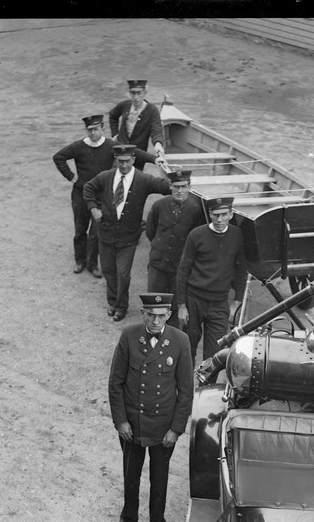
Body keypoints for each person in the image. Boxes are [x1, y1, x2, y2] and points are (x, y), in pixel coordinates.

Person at [108, 293, 194, 522]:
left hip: (162, 425)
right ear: (143, 314)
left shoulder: (180, 341)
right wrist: (120, 421)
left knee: (160, 476)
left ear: (169, 315)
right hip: (132, 424)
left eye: (161, 316)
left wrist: (176, 429)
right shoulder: (129, 336)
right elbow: (116, 383)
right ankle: (128, 519)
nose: (156, 321)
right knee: (130, 472)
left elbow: (186, 390)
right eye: (151, 315)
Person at [83, 144, 172, 322]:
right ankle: (112, 302)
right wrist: (94, 209)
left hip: (128, 238)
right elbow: (88, 188)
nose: (124, 165)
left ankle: (121, 307)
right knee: (109, 271)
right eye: (120, 161)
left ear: (133, 160)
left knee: (123, 274)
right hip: (106, 235)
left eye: (127, 161)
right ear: (116, 160)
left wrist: (176, 183)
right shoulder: (106, 176)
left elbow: (162, 186)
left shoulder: (143, 179)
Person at [177, 196, 248, 365]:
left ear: (231, 214)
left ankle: (206, 390)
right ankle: (185, 387)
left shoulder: (237, 236)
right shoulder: (196, 235)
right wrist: (181, 306)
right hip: (194, 300)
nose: (219, 219)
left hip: (219, 304)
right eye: (215, 215)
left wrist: (237, 303)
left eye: (224, 214)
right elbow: (182, 271)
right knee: (188, 347)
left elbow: (241, 271)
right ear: (209, 214)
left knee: (215, 354)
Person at [52, 114, 115, 277]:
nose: (92, 133)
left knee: (96, 232)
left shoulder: (111, 146)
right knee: (80, 229)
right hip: (80, 195)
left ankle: (93, 264)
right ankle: (80, 261)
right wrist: (72, 178)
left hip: (100, 197)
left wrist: (154, 158)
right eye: (89, 130)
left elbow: (132, 152)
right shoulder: (79, 146)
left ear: (103, 128)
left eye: (95, 129)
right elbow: (58, 157)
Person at [145, 170, 205, 328]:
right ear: (170, 186)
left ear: (189, 187)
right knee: (154, 302)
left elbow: (197, 238)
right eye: (176, 187)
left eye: (184, 187)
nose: (180, 191)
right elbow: (150, 231)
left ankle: (167, 338)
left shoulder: (195, 209)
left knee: (174, 306)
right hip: (158, 264)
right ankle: (152, 333)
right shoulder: (159, 206)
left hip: (179, 268)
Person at [109, 80, 166, 171]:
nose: (136, 97)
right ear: (129, 93)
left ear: (145, 93)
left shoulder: (152, 110)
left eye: (139, 93)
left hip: (138, 156)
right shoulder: (124, 105)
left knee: (135, 182)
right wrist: (114, 134)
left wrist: (158, 143)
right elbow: (113, 115)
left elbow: (156, 130)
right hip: (120, 153)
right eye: (133, 93)